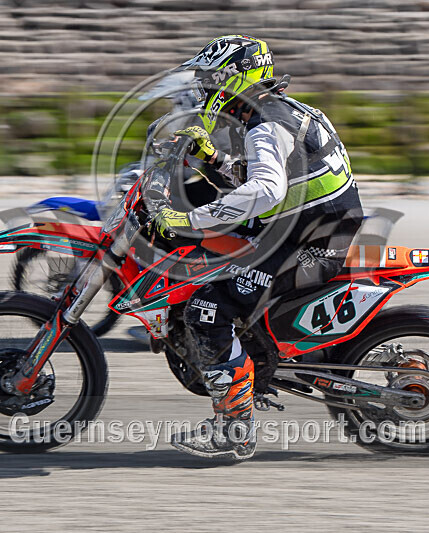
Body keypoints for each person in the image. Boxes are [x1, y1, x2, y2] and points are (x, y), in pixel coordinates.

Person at [152, 35, 363, 460]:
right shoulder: (278, 112)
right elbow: (264, 181)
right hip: (308, 231)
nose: (205, 87)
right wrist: (212, 162)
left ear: (237, 77)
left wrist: (189, 219)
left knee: (207, 307)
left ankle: (234, 428)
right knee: (216, 269)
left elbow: (266, 191)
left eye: (211, 78)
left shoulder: (265, 124)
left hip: (311, 242)